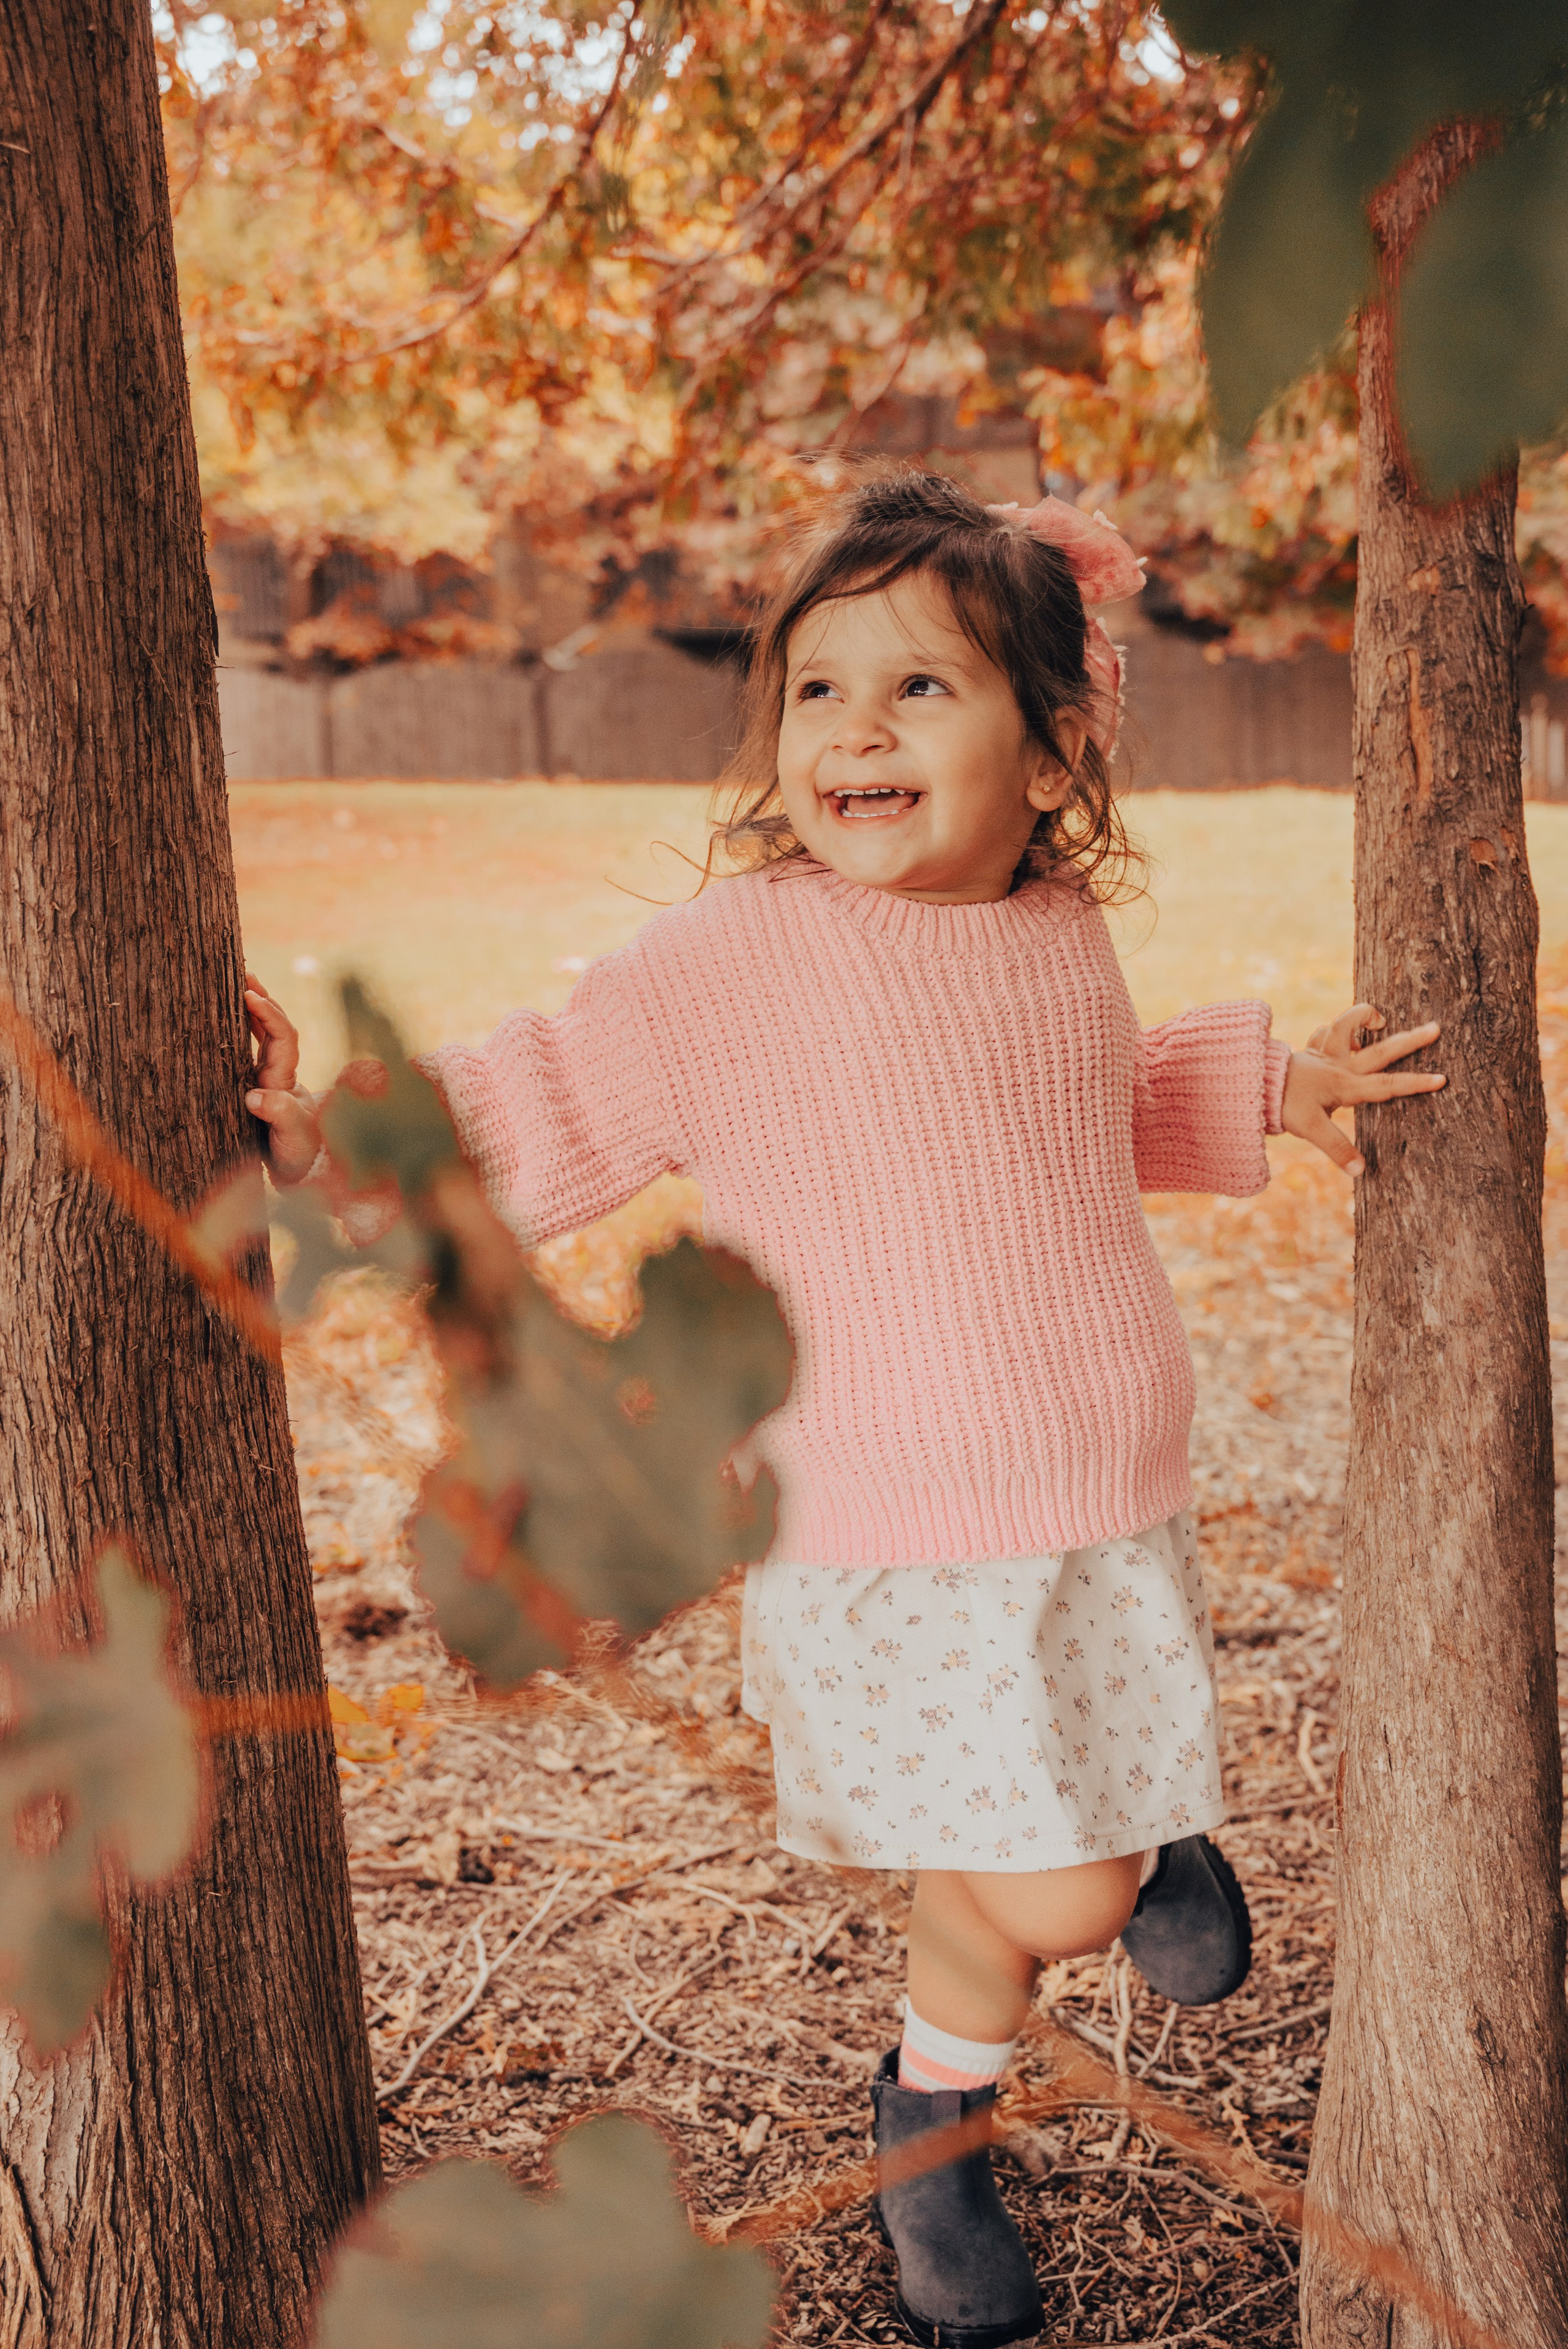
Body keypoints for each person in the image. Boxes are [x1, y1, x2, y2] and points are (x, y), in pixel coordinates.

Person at [246, 470, 1444, 2349]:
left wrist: (1269, 1085)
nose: (855, 731)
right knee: (1044, 1877)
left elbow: (1075, 1097)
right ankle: (1093, 1899)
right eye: (817, 690)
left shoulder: (1054, 930)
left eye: (919, 691)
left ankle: (942, 2106)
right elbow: (537, 1093)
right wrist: (338, 1140)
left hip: (1091, 1477)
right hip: (885, 1523)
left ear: (1054, 762)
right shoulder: (738, 962)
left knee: (1049, 1787)